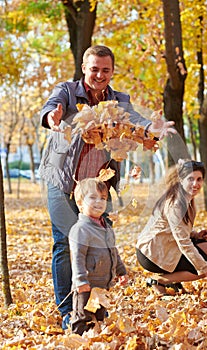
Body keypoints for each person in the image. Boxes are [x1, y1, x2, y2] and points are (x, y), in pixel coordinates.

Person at [39, 44, 176, 329]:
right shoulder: (67, 91)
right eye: (94, 69)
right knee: (65, 243)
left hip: (98, 186)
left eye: (105, 70)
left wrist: (152, 127)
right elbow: (51, 106)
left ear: (112, 71)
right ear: (84, 68)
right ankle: (69, 313)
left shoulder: (118, 99)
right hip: (63, 180)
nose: (99, 75)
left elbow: (134, 120)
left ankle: (94, 308)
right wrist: (52, 116)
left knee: (100, 244)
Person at [136, 159, 207, 294]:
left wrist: (195, 234)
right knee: (203, 270)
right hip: (153, 254)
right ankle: (159, 280)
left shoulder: (187, 198)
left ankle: (172, 282)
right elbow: (183, 243)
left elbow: (176, 229)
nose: (195, 184)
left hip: (166, 246)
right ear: (181, 180)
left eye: (199, 179)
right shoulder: (176, 203)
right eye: (190, 179)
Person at [69, 177, 128, 335]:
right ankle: (76, 342)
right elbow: (77, 257)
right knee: (82, 317)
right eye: (93, 197)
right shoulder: (81, 229)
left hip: (103, 284)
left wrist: (121, 271)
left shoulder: (106, 227)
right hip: (86, 285)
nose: (99, 202)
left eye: (102, 198)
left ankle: (95, 341)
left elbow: (113, 251)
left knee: (99, 316)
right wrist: (81, 280)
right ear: (80, 203)